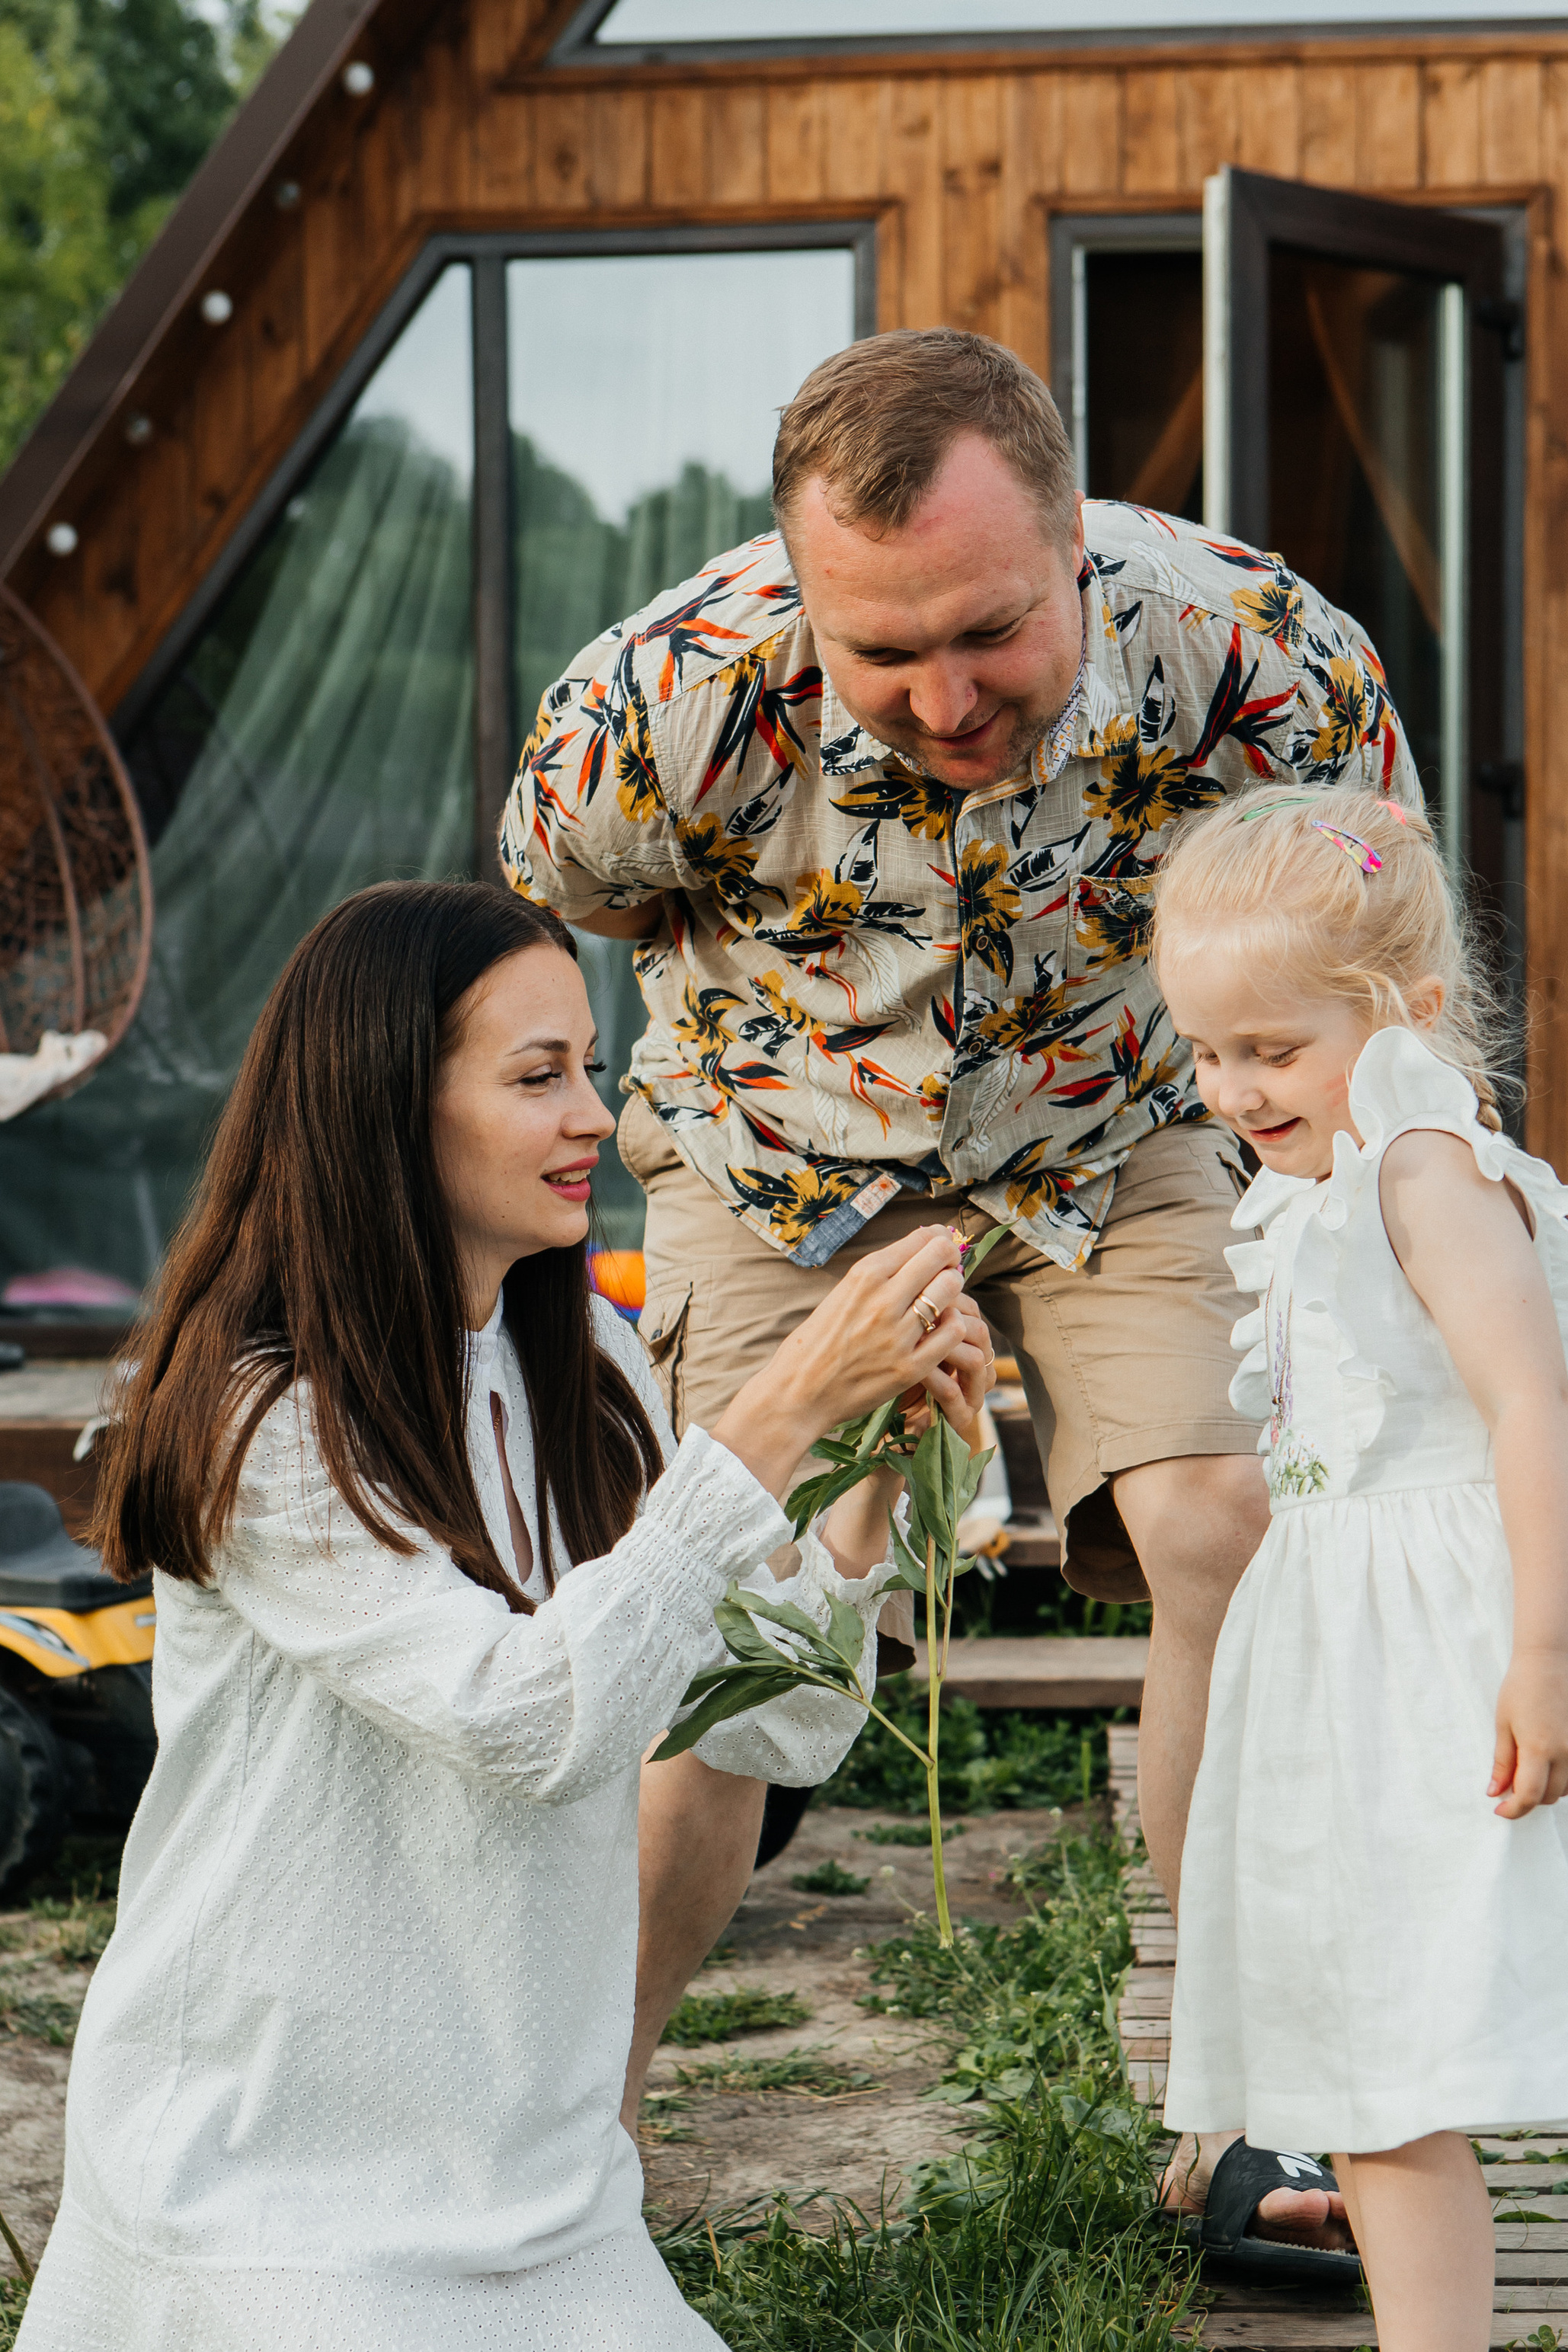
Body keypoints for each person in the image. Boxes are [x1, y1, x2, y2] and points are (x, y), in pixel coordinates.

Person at [0, 880, 990, 2352]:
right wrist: (769, 1418)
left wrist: (880, 1477)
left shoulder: (579, 1362)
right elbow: (539, 1727)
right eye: (541, 1075)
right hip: (279, 2146)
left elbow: (764, 1716)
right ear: (392, 1101)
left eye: (589, 1067)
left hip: (504, 2146)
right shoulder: (259, 1417)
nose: (595, 1115)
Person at [501, 325, 1408, 2254]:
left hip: (1114, 1132)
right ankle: (575, 2131)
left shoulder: (1262, 662)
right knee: (747, 1616)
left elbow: (1376, 959)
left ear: (1078, 538)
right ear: (798, 591)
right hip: (784, 1162)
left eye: (987, 633)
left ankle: (1254, 2114)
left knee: (1223, 1529)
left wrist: (1427, 1221)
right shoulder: (665, 702)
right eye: (880, 652)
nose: (941, 695)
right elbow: (552, 906)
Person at [1154, 788, 1568, 2352]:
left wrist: (1540, 1655)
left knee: (1384, 2059)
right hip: (1342, 1628)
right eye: (1207, 1055)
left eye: (1268, 1048)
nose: (1233, 1091)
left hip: (1440, 1635)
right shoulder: (1326, 1176)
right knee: (1344, 2021)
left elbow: (1530, 1406)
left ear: (1383, 1008)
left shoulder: (1420, 1170)